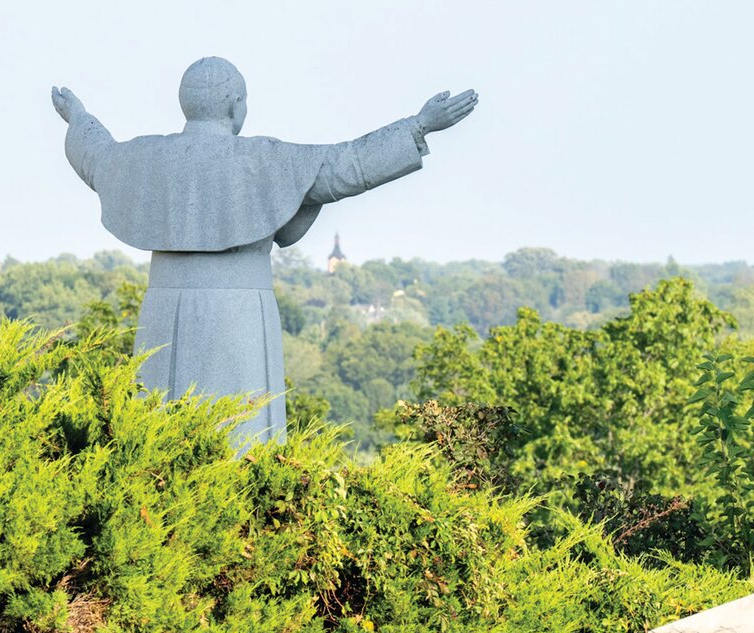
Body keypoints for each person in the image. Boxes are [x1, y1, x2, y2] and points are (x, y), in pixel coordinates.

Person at [53, 57, 477, 447]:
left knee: (158, 440)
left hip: (161, 313)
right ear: (236, 105)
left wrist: (78, 117)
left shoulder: (142, 158)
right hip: (239, 317)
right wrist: (418, 125)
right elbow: (348, 165)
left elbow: (96, 155)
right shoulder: (264, 159)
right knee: (245, 441)